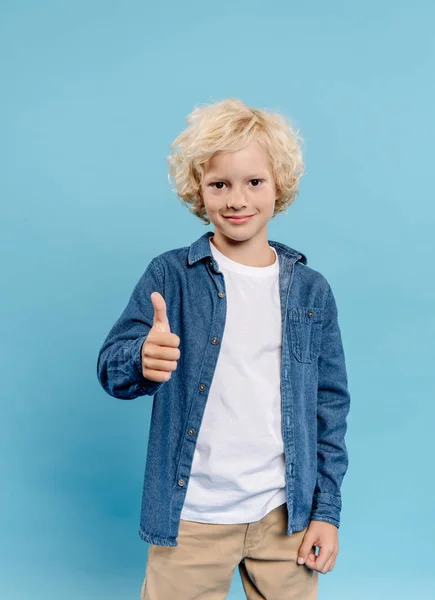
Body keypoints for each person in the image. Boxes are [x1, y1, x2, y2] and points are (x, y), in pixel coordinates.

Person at [97, 98, 351, 600]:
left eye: (254, 182)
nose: (237, 198)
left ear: (279, 185)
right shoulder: (169, 275)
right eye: (220, 184)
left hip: (284, 517)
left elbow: (329, 405)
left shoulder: (310, 291)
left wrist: (326, 512)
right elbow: (111, 366)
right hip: (192, 515)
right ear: (199, 190)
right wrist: (142, 361)